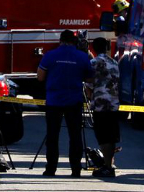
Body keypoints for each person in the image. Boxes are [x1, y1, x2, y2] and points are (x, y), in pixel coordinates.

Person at [38, 29, 95, 177]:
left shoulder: (50, 55)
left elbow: (40, 77)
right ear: (74, 42)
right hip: (74, 100)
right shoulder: (82, 56)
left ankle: (51, 168)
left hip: (54, 100)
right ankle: (76, 169)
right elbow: (90, 79)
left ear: (60, 40)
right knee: (75, 135)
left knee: (52, 136)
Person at [86, 37, 121, 178]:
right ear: (107, 48)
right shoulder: (114, 63)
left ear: (93, 48)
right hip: (113, 103)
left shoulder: (93, 63)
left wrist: (90, 97)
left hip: (100, 104)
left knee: (103, 137)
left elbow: (89, 84)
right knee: (111, 137)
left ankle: (107, 167)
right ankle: (109, 164)